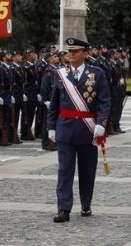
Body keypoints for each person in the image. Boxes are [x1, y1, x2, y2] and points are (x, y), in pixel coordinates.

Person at [48, 38, 111, 223]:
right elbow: (54, 103)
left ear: (85, 53)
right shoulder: (60, 74)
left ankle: (86, 203)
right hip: (65, 128)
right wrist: (51, 126)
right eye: (69, 51)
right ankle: (64, 208)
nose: (71, 54)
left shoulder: (97, 74)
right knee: (65, 170)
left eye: (75, 51)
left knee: (87, 170)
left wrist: (101, 122)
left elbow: (105, 101)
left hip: (88, 129)